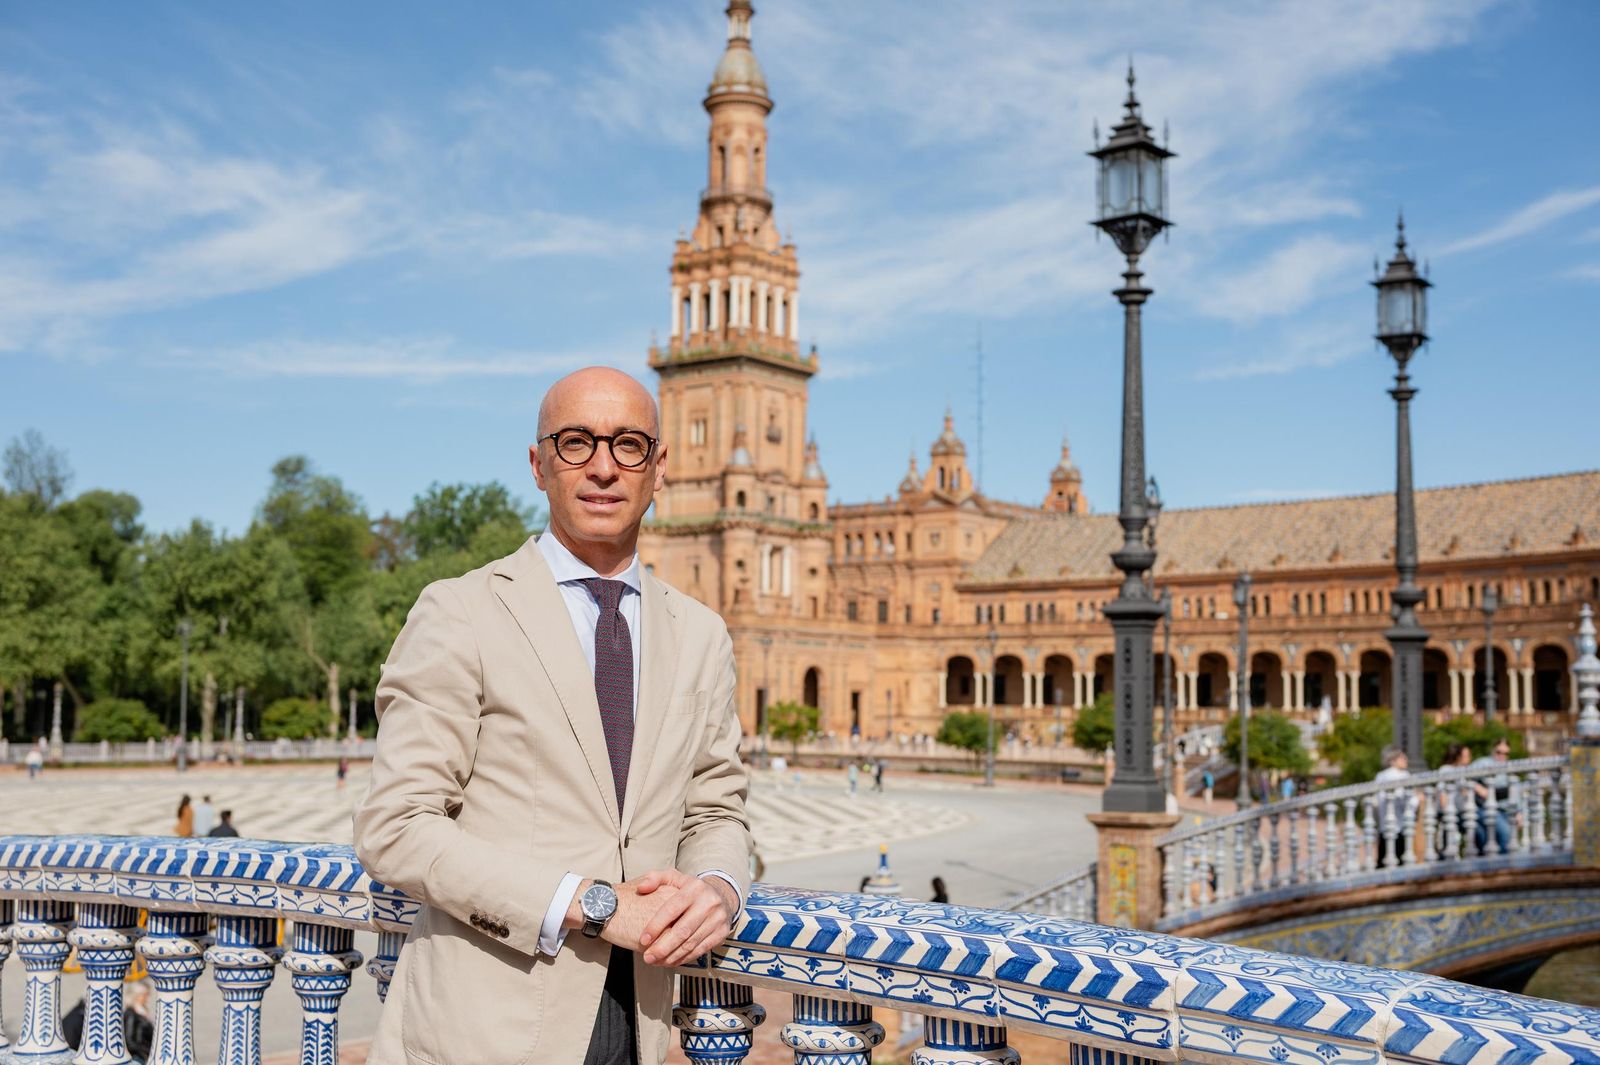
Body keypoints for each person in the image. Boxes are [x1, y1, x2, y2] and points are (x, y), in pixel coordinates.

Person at [354, 367, 751, 1065]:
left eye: (628, 445)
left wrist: (719, 887)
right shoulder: (461, 612)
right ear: (539, 465)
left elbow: (716, 809)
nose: (603, 467)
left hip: (641, 1020)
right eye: (576, 443)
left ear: (659, 468)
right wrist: (588, 903)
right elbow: (396, 826)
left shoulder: (700, 634)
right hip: (485, 1027)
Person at [1470, 739, 1515, 855]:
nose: (1502, 756)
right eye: (1499, 752)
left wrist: (1519, 811)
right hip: (1487, 809)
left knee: (1500, 841)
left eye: (1506, 753)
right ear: (1493, 751)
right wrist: (1479, 788)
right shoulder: (1484, 763)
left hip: (1505, 810)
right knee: (1505, 833)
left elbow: (1515, 791)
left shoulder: (1508, 767)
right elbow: (1464, 776)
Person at [1372, 747, 1413, 868]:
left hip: (1385, 823)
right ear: (1392, 760)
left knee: (1384, 858)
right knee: (1400, 859)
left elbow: (1377, 801)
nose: (1405, 759)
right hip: (1399, 823)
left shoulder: (1380, 775)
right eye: (1402, 757)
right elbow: (1404, 800)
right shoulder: (1402, 775)